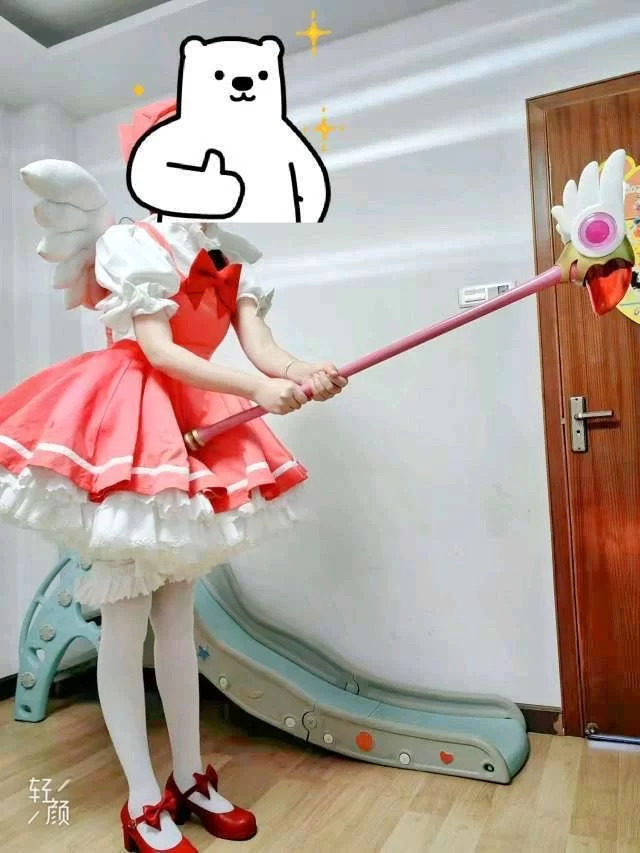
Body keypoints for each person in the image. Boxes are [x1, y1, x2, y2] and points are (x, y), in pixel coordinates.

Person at [0, 130, 347, 852]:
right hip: (131, 420)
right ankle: (140, 800)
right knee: (126, 620)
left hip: (193, 421)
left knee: (178, 618)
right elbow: (158, 350)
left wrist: (301, 371)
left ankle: (189, 778)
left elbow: (262, 348)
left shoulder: (227, 257)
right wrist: (257, 388)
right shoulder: (134, 242)